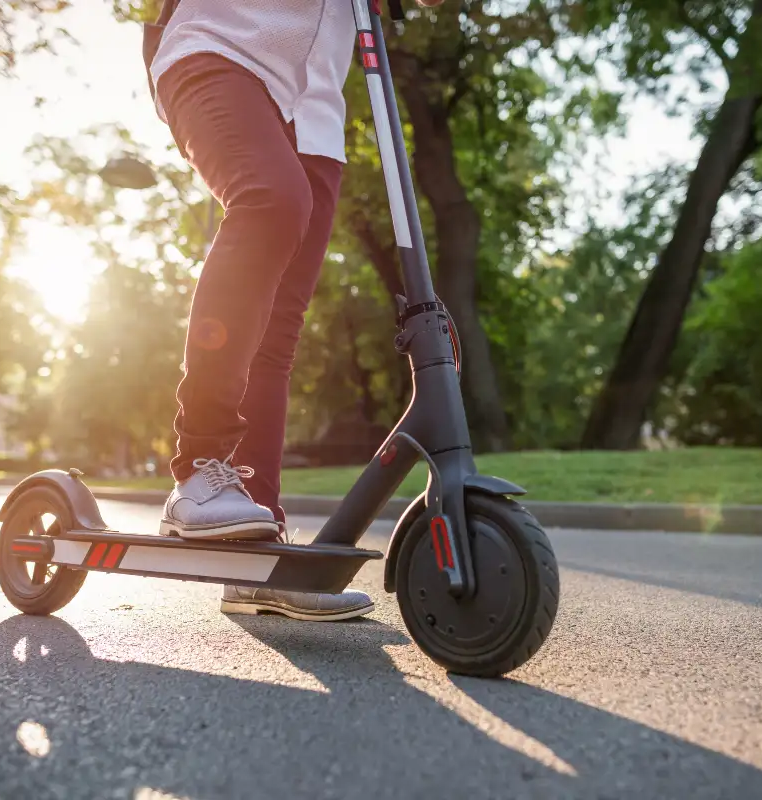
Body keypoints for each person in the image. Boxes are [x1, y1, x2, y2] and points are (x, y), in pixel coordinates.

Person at [146, 0, 441, 621]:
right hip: (221, 49)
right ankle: (199, 466)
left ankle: (257, 555)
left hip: (316, 113)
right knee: (271, 203)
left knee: (278, 333)